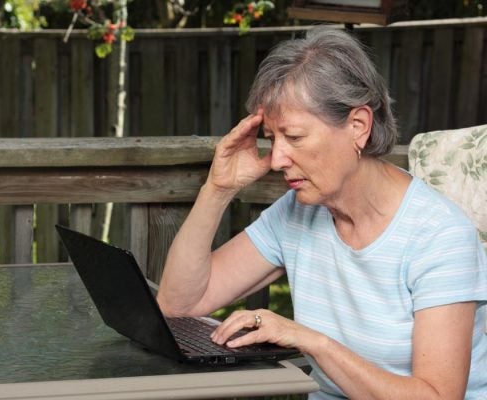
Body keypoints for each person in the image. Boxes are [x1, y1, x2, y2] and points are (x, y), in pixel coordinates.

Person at [157, 27, 487, 399]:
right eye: (272, 137)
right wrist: (218, 190)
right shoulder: (296, 213)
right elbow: (177, 304)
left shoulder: (440, 236)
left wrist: (313, 342)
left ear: (358, 126)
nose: (278, 159)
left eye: (294, 137)